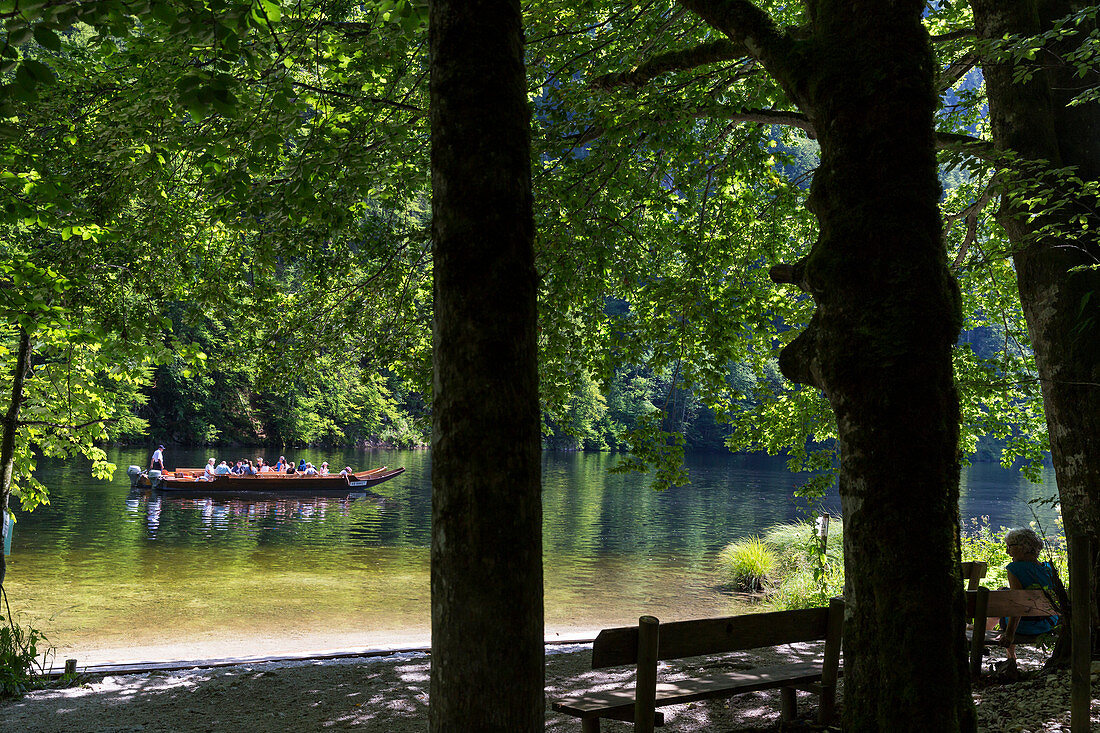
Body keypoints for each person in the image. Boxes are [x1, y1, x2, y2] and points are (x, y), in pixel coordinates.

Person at [990, 528, 1060, 675]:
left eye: (1010, 547)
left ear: (1023, 548)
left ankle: (1011, 656)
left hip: (1024, 627)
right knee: (1006, 593)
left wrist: (1009, 635)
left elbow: (1017, 605)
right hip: (1048, 624)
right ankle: (978, 627)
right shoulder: (1049, 568)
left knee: (1005, 597)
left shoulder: (1015, 568)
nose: (1007, 552)